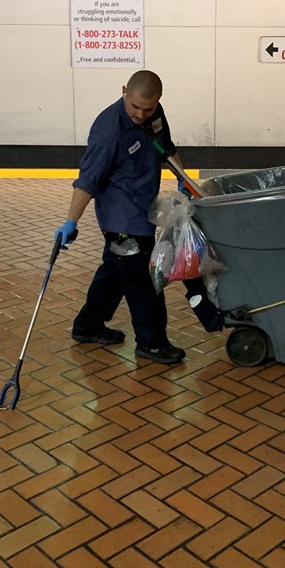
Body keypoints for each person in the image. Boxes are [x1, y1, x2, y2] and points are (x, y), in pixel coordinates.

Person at [54, 70, 187, 365]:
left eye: (148, 108)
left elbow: (165, 145)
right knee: (142, 279)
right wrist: (70, 222)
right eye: (135, 107)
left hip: (143, 207)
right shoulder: (108, 131)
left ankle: (87, 326)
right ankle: (152, 343)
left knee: (115, 271)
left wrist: (183, 179)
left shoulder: (154, 112)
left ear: (158, 101)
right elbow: (87, 180)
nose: (140, 115)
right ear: (124, 91)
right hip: (121, 217)